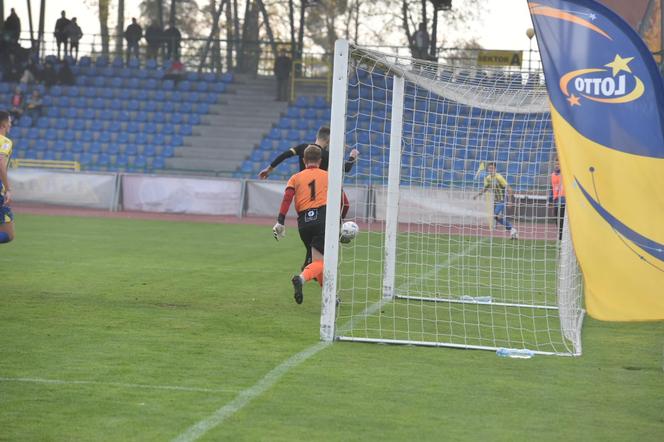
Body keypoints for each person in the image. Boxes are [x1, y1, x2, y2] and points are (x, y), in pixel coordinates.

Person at [273, 145, 349, 304]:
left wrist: (280, 221)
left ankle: (330, 297)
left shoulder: (295, 177)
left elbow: (287, 198)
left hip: (303, 223)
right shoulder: (329, 175)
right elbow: (345, 203)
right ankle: (300, 279)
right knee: (321, 262)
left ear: (303, 160)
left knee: (318, 261)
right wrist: (340, 223)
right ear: (320, 161)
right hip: (322, 218)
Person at [473, 162, 518, 239]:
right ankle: (512, 230)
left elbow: (509, 188)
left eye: (492, 168)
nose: (491, 170)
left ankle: (512, 229)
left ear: (495, 169)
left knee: (495, 215)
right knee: (497, 217)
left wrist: (510, 201)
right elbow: (485, 189)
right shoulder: (488, 178)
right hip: (496, 201)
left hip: (502, 200)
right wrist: (477, 195)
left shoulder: (499, 177)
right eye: (489, 168)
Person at [0, 110, 15, 244]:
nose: (11, 125)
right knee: (8, 234)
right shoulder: (5, 142)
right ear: (4, 125)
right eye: (9, 122)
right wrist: (8, 189)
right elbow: (1, 164)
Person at [550, 158, 566, 241]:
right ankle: (560, 235)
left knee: (562, 219)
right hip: (556, 200)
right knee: (557, 219)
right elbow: (551, 188)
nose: (557, 165)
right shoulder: (552, 175)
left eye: (559, 164)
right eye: (556, 164)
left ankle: (561, 237)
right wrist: (551, 200)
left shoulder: (565, 174)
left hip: (564, 200)